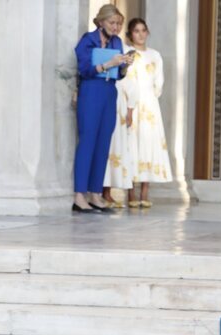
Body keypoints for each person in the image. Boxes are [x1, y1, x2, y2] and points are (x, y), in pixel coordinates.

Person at [72, 4, 134, 213]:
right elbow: (84, 69)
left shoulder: (117, 42)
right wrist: (108, 64)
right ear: (100, 22)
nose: (116, 27)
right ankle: (79, 195)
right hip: (91, 91)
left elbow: (119, 74)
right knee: (88, 140)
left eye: (118, 23)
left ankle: (95, 193)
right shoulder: (87, 40)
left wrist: (124, 66)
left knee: (103, 142)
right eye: (112, 23)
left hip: (109, 92)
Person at [123, 18, 172, 208]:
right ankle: (130, 193)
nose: (141, 34)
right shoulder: (127, 53)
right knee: (131, 144)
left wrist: (150, 98)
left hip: (150, 105)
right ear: (130, 34)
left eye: (144, 30)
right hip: (131, 104)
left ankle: (145, 191)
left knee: (148, 145)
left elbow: (159, 83)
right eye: (136, 31)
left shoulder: (155, 55)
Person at [101, 31, 138, 208]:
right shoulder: (104, 58)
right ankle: (101, 191)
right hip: (106, 102)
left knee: (117, 148)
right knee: (105, 148)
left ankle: (108, 191)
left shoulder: (124, 71)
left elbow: (130, 86)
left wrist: (130, 111)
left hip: (119, 108)